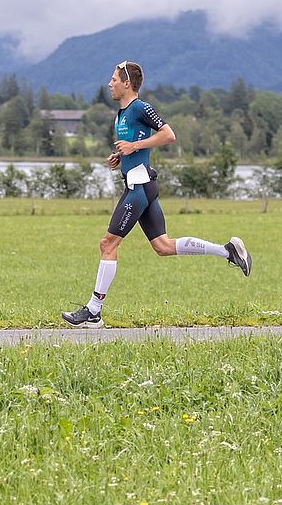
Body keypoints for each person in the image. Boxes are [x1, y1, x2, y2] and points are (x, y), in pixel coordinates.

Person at [61, 60, 251, 327]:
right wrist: (120, 156)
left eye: (114, 79)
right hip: (139, 184)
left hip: (139, 187)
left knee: (107, 244)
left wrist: (133, 146)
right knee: (162, 246)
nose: (109, 84)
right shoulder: (122, 113)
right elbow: (134, 148)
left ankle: (94, 310)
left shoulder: (140, 107)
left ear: (127, 83)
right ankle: (227, 251)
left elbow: (169, 135)